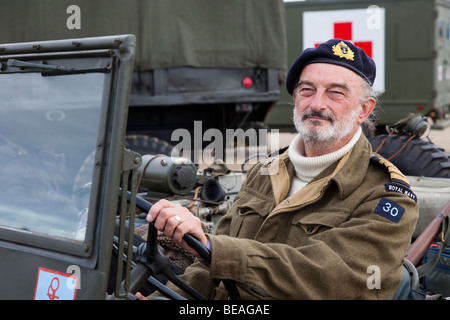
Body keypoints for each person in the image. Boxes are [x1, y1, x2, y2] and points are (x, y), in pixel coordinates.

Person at [144, 39, 418, 299]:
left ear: (364, 109)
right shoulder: (263, 172)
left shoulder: (387, 195)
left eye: (336, 93)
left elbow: (330, 277)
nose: (317, 104)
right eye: (307, 90)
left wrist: (217, 250)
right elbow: (209, 265)